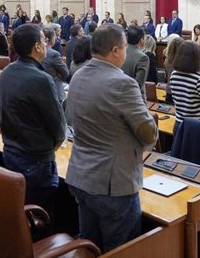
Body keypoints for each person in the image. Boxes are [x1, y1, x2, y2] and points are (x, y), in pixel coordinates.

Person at [66, 24, 158, 252]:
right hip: (113, 185)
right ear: (116, 50)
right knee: (121, 251)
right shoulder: (123, 83)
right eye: (125, 48)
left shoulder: (78, 75)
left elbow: (71, 120)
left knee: (90, 246)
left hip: (81, 176)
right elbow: (148, 133)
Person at [0, 24, 67, 229]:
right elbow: (59, 127)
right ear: (37, 46)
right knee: (42, 218)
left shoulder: (7, 72)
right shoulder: (41, 79)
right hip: (37, 161)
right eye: (44, 41)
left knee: (23, 213)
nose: (46, 44)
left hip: (11, 152)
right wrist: (53, 146)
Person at [169, 41, 200, 132]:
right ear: (196, 58)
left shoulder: (174, 74)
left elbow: (176, 100)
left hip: (179, 124)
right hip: (196, 126)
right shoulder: (199, 78)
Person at [40, 27, 69, 107]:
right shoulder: (53, 54)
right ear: (50, 39)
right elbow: (65, 73)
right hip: (54, 90)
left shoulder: (36, 51)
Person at [121, 25, 150, 101]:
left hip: (118, 95)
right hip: (135, 100)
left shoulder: (120, 52)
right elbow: (138, 85)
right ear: (141, 40)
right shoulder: (143, 57)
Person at [163, 35, 182, 104]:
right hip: (180, 92)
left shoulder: (167, 60)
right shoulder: (183, 61)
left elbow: (165, 76)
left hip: (169, 90)